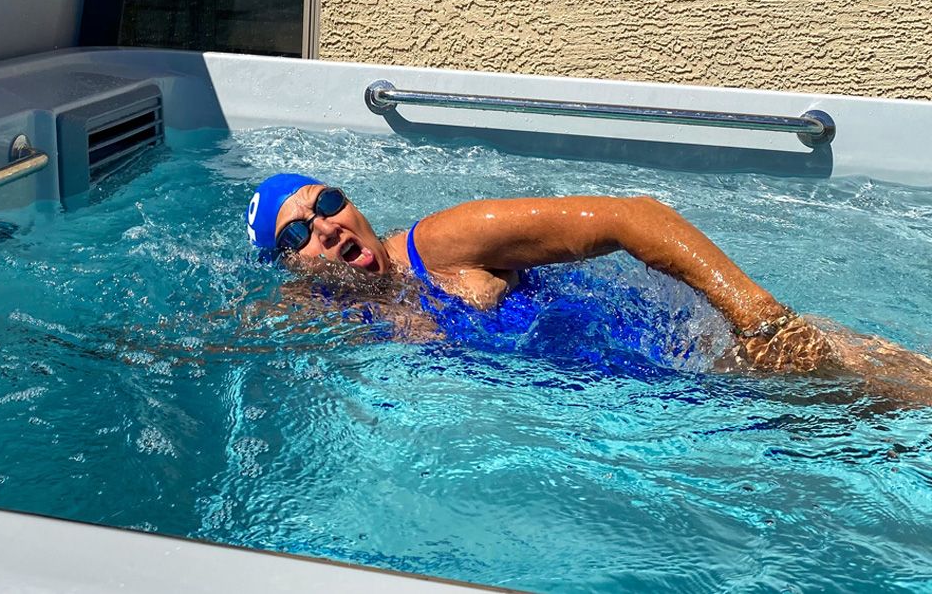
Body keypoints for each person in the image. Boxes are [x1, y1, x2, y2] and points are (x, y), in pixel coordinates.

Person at [246, 173, 932, 404]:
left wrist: (760, 320)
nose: (326, 229)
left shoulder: (440, 245)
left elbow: (630, 215)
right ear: (288, 269)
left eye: (326, 203)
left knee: (892, 401)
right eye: (294, 235)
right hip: (660, 405)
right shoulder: (319, 312)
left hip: (704, 352)